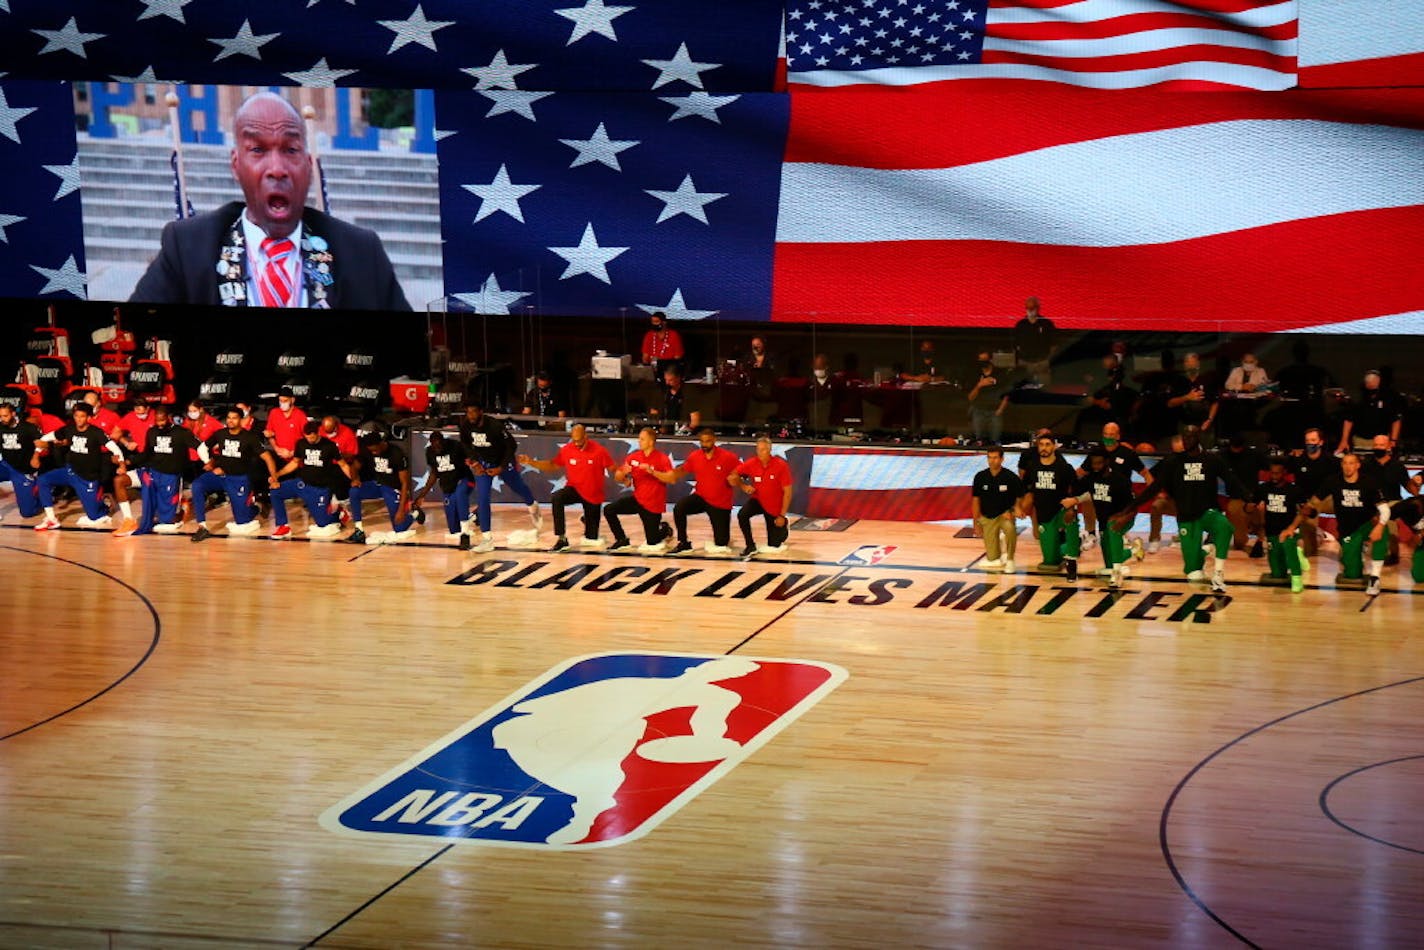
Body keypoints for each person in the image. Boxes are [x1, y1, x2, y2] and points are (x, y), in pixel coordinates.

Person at [129, 92, 410, 311]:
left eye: (290, 149)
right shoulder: (187, 248)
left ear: (309, 165)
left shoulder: (361, 253)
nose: (277, 168)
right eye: (258, 150)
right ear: (236, 165)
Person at [1115, 426, 1249, 592]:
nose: (1187, 441)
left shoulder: (1212, 459)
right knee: (1193, 575)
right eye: (1184, 438)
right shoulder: (1173, 461)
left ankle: (1218, 573)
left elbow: (1231, 480)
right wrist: (1131, 507)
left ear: (1198, 438)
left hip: (1208, 511)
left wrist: (1249, 499)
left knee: (1225, 527)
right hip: (1186, 516)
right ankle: (1206, 550)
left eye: (1190, 438)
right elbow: (1154, 487)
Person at [1296, 452, 1388, 596]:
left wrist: (1380, 526)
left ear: (1358, 465)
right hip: (1347, 530)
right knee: (1352, 573)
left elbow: (1385, 510)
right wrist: (1308, 508)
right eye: (1344, 463)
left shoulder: (1369, 482)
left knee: (1383, 528)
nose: (1347, 467)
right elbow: (1315, 500)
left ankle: (1375, 578)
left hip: (1367, 524)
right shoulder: (1333, 481)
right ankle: (1357, 550)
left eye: (1351, 463)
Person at [518, 423, 618, 552]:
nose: (576, 444)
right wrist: (531, 462)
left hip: (593, 495)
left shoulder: (599, 451)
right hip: (574, 489)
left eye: (579, 440)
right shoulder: (567, 449)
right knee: (557, 497)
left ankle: (587, 520)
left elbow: (613, 468)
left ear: (586, 436)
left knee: (591, 539)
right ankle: (562, 538)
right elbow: (552, 465)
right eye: (574, 440)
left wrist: (624, 476)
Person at [458, 401, 541, 551]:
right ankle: (487, 539)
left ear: (481, 412)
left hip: (502, 461)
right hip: (483, 464)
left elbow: (511, 445)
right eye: (468, 412)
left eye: (473, 412)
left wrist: (501, 467)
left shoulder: (494, 426)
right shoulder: (466, 425)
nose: (470, 415)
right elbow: (464, 443)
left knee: (519, 487)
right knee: (482, 499)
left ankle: (532, 505)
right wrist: (475, 461)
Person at [33, 403, 127, 531]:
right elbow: (47, 437)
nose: (79, 419)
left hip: (87, 478)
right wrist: (36, 454)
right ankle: (51, 519)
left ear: (89, 418)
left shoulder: (96, 433)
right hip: (70, 472)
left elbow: (115, 448)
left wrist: (122, 465)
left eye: (82, 416)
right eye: (76, 416)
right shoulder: (69, 429)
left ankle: (103, 505)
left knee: (95, 517)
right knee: (43, 480)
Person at [189, 407, 278, 542]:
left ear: (240, 420)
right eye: (229, 418)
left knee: (242, 520)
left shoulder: (249, 437)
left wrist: (274, 477)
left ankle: (257, 506)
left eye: (234, 418)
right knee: (197, 485)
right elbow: (202, 448)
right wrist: (210, 463)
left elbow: (268, 457)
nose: (230, 421)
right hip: (221, 476)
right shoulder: (220, 434)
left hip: (239, 479)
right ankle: (202, 527)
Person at [1073, 445, 1142, 588]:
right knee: (1109, 561)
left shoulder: (1120, 481)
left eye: (1099, 463)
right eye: (1093, 463)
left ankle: (1117, 574)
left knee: (1113, 527)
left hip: (1123, 518)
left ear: (1107, 462)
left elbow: (1133, 508)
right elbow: (1074, 490)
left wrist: (1122, 519)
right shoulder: (1090, 478)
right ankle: (1133, 549)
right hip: (1104, 523)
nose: (1096, 466)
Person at [268, 421, 351, 540]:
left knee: (322, 523)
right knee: (276, 491)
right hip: (302, 483)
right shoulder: (301, 444)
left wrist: (354, 479)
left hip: (320, 488)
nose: (310, 440)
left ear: (317, 433)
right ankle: (283, 526)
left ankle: (338, 514)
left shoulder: (329, 446)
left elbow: (343, 465)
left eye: (312, 437)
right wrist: (277, 475)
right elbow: (295, 462)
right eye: (307, 437)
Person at [1019, 432, 1082, 579]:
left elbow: (1076, 491)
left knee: (1071, 522)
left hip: (1061, 510)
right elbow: (1025, 488)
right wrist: (1020, 507)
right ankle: (1071, 545)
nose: (1044, 448)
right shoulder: (1032, 467)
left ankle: (1072, 561)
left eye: (1047, 444)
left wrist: (1072, 508)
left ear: (1054, 446)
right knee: (1050, 561)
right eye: (1041, 445)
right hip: (1044, 515)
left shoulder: (1064, 467)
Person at [668, 428, 740, 555]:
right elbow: (683, 469)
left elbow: (742, 470)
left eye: (707, 441)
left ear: (714, 440)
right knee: (679, 508)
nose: (704, 445)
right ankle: (683, 542)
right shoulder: (695, 456)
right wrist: (673, 474)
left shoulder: (727, 457)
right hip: (701, 497)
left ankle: (723, 537)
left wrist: (736, 477)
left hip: (720, 503)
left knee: (721, 543)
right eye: (702, 441)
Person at [604, 427, 675, 553]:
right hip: (637, 499)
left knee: (652, 541)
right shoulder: (633, 457)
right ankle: (621, 539)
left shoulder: (662, 458)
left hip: (653, 504)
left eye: (642, 439)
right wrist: (623, 475)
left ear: (651, 442)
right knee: (609, 509)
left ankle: (665, 530)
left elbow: (671, 479)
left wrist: (652, 472)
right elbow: (617, 477)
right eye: (639, 439)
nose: (639, 441)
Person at [1080, 422, 1151, 545]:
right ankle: (1091, 534)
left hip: (1121, 496)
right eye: (1105, 434)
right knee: (1086, 498)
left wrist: (1152, 491)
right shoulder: (1096, 453)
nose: (1108, 437)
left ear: (1118, 436)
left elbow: (1146, 474)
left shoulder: (1128, 454)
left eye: (1111, 434)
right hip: (1100, 492)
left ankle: (1120, 532)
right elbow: (1080, 472)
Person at [134, 405, 199, 535]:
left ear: (169, 418)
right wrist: (129, 461)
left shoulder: (181, 432)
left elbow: (199, 446)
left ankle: (177, 514)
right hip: (154, 471)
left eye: (162, 420)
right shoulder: (152, 432)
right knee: (153, 497)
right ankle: (153, 519)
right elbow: (147, 452)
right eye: (157, 421)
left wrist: (210, 460)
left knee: (169, 510)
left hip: (172, 473)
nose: (160, 424)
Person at [1360, 433, 1421, 566]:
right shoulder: (1366, 464)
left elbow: (1410, 487)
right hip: (1372, 502)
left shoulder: (1397, 466)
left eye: (1381, 445)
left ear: (1388, 446)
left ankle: (1394, 554)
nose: (1378, 447)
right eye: (1375, 445)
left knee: (1388, 517)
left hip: (1392, 503)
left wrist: (1416, 484)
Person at [346, 431, 416, 545]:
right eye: (371, 450)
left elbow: (404, 483)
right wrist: (355, 479)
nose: (374, 452)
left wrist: (401, 509)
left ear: (382, 443)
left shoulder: (396, 453)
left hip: (392, 488)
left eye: (375, 450)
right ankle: (359, 530)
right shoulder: (367, 450)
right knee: (354, 491)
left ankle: (414, 515)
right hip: (377, 484)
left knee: (399, 528)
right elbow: (354, 466)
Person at [412, 430, 474, 549]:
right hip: (447, 486)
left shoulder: (455, 446)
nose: (437, 448)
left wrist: (471, 461)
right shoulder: (429, 452)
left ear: (443, 441)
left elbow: (471, 455)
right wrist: (422, 495)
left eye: (439, 445)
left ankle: (465, 534)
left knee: (460, 496)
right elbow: (434, 473)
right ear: (430, 444)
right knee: (454, 530)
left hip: (465, 480)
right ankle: (474, 516)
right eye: (434, 446)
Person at [1256, 458, 1308, 593]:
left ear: (1284, 473)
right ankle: (1297, 555)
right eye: (1272, 473)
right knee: (1278, 573)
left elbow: (1303, 512)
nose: (1274, 476)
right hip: (1272, 533)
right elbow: (1253, 506)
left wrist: (1292, 528)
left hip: (1290, 531)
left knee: (1288, 545)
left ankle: (1297, 578)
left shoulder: (1295, 490)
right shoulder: (1263, 488)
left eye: (1277, 473)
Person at [1288, 427, 1339, 561]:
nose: (1310, 443)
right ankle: (1318, 536)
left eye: (1313, 440)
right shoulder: (1298, 460)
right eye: (1307, 440)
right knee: (1309, 552)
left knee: (1346, 505)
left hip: (1328, 499)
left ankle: (1350, 543)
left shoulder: (1332, 461)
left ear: (1321, 442)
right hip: (1309, 503)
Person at [971, 445, 1024, 574]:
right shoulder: (980, 477)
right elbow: (975, 500)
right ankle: (1000, 544)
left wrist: (1014, 509)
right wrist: (976, 522)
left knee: (1010, 528)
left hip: (1004, 515)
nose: (992, 461)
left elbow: (1020, 495)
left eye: (995, 458)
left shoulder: (1010, 477)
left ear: (1002, 459)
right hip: (987, 517)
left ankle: (1010, 560)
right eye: (989, 458)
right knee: (993, 559)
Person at [109, 400, 158, 537]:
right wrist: (126, 442)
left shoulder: (157, 417)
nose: (139, 414)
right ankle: (129, 521)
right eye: (137, 411)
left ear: (148, 409)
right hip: (140, 462)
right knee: (119, 480)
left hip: (157, 463)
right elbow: (115, 434)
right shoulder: (130, 417)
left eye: (142, 412)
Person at [1220, 435, 1268, 557]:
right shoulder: (1222, 456)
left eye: (1239, 448)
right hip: (1236, 499)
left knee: (1264, 510)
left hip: (1255, 499)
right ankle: (1245, 533)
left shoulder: (1254, 454)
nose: (1236, 451)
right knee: (1239, 543)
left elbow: (1273, 468)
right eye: (1234, 448)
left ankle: (1261, 538)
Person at [1338, 370, 1404, 453]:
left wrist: (1393, 440)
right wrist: (1344, 440)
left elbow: (1396, 420)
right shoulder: (1357, 398)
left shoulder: (1389, 397)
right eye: (1369, 385)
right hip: (1360, 439)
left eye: (1374, 385)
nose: (1371, 387)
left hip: (1382, 440)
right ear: (1365, 384)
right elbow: (1348, 420)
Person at [0, 402, 43, 521]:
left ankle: (38, 491)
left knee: (27, 513)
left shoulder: (28, 427)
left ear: (13, 414)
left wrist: (36, 456)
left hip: (22, 470)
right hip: (6, 465)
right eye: (0, 416)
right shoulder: (0, 427)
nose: (2, 419)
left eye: (5, 416)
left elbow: (43, 444)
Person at [1170, 353, 1219, 446]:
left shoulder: (1207, 379)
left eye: (1193, 362)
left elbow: (1215, 402)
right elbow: (1170, 403)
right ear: (1184, 365)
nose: (1191, 364)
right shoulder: (1178, 381)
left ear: (1198, 363)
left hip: (1204, 425)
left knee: (1206, 452)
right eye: (1188, 362)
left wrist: (1210, 419)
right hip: (1184, 424)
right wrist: (1187, 397)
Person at [965, 351, 1010, 444]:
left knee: (995, 440)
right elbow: (970, 398)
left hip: (995, 411)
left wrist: (1000, 410)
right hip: (978, 410)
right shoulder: (974, 374)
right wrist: (979, 385)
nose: (983, 362)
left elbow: (1007, 394)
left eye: (985, 360)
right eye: (980, 360)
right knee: (979, 440)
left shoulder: (1000, 373)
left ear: (990, 360)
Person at [1012, 296, 1056, 383]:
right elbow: (1015, 345)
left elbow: (1053, 345)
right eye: (1027, 308)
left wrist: (1048, 360)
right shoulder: (1021, 324)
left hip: (1042, 362)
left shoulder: (1047, 323)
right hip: (1024, 362)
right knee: (1024, 389)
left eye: (1032, 307)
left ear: (1038, 308)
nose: (1030, 310)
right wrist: (1016, 362)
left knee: (1044, 389)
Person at [263, 386, 308, 462]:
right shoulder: (274, 413)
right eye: (280, 401)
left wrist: (292, 453)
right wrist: (277, 449)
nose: (282, 403)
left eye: (285, 401)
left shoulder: (300, 415)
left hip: (295, 459)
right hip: (278, 456)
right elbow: (270, 434)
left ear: (292, 400)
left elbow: (307, 438)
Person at [640, 311, 684, 377]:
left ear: (664, 322)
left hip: (669, 371)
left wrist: (663, 364)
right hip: (652, 370)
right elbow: (645, 358)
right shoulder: (649, 335)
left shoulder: (674, 335)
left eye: (656, 322)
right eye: (652, 321)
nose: (654, 324)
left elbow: (677, 358)